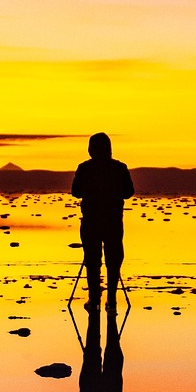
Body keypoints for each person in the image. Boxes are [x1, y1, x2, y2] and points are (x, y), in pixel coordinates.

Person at [71, 132, 132, 313]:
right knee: (113, 259)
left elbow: (76, 192)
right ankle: (111, 300)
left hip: (91, 221)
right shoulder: (120, 168)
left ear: (90, 149)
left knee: (92, 259)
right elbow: (129, 192)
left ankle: (94, 300)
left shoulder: (84, 168)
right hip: (113, 221)